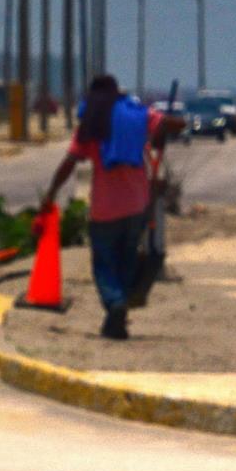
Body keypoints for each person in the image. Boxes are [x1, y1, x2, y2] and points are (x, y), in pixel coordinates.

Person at [40, 75, 184, 339]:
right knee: (126, 260)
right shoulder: (137, 115)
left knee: (104, 265)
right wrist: (161, 130)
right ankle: (117, 317)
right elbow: (176, 124)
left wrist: (50, 193)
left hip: (105, 209)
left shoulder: (92, 122)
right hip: (137, 205)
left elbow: (70, 162)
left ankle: (116, 307)